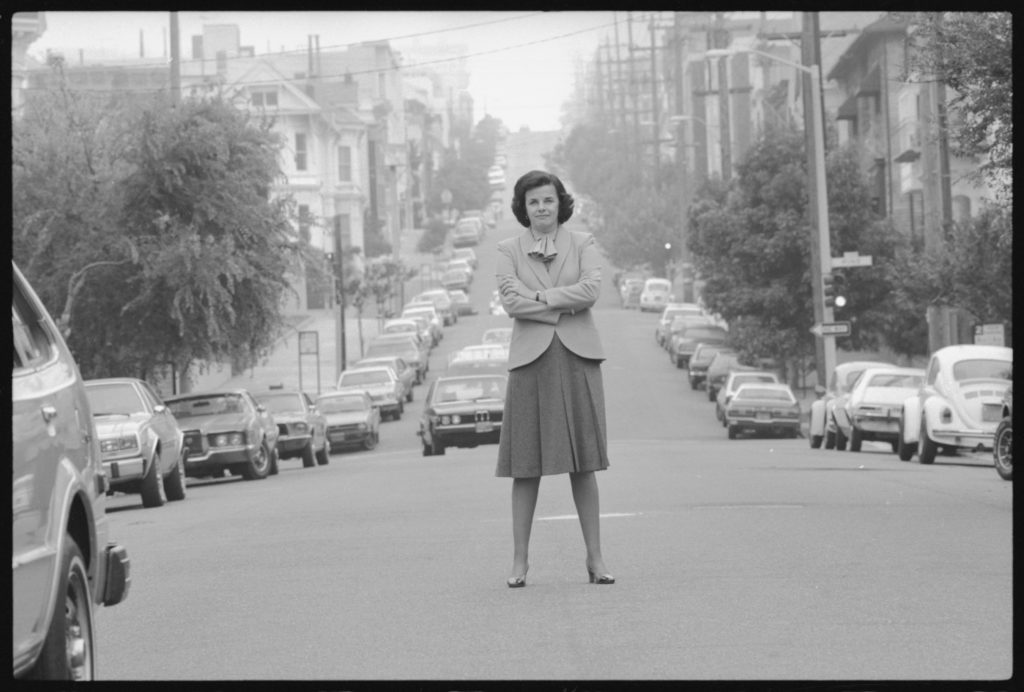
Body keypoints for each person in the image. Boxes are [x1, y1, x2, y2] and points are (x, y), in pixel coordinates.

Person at [495, 170, 614, 588]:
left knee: (584, 464)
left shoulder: (582, 243)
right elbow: (511, 303)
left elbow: (591, 291)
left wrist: (541, 299)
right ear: (522, 208)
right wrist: (563, 304)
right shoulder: (508, 250)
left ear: (559, 202)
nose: (541, 208)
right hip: (530, 361)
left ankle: (596, 558)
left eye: (547, 200)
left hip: (578, 357)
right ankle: (519, 562)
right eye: (533, 202)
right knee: (525, 466)